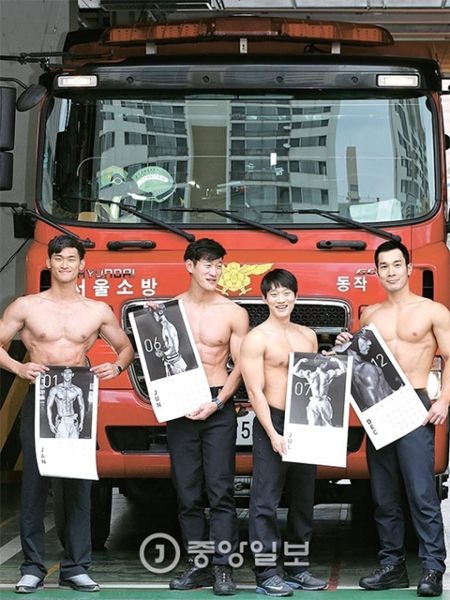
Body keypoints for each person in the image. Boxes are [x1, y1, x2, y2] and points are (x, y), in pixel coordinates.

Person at [0, 235, 134, 594]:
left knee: (77, 484)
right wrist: (18, 367)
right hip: (40, 394)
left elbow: (125, 348)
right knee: (35, 483)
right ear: (49, 262)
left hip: (79, 399)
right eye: (58, 258)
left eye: (71, 259)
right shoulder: (27, 306)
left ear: (81, 265)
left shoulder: (96, 310)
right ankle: (32, 568)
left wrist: (116, 367)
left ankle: (76, 567)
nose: (64, 265)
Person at [336, 240, 449, 597]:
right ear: (377, 272)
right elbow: (363, 362)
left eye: (397, 265)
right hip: (379, 406)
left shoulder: (433, 311)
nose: (391, 272)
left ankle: (432, 568)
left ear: (409, 268)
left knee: (421, 492)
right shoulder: (371, 315)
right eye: (384, 266)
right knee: (383, 494)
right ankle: (392, 566)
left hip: (414, 403)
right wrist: (345, 344)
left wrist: (444, 400)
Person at [157, 238, 249, 596]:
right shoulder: (168, 311)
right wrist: (149, 322)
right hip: (181, 405)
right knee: (187, 491)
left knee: (220, 490)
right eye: (208, 264)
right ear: (190, 266)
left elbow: (241, 364)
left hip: (217, 403)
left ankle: (223, 568)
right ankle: (198, 565)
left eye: (219, 265)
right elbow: (155, 356)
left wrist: (219, 401)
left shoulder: (233, 312)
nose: (215, 271)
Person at [240, 268, 327, 597]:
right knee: (265, 500)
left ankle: (297, 567)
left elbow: (317, 381)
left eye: (286, 292)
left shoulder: (308, 336)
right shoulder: (257, 338)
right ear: (265, 299)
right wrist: (272, 433)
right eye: (274, 293)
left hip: (305, 421)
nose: (281, 298)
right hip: (272, 422)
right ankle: (266, 572)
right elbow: (255, 391)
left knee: (303, 500)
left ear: (295, 296)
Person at [336, 330, 394, 411]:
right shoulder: (365, 369)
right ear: (353, 343)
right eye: (365, 339)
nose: (369, 343)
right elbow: (376, 405)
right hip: (391, 412)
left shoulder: (352, 371)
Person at [293, 355, 346, 426]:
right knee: (323, 424)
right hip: (320, 402)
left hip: (317, 402)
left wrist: (300, 361)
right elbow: (344, 369)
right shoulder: (328, 374)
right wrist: (337, 360)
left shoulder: (310, 374)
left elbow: (294, 371)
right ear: (321, 364)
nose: (326, 364)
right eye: (325, 363)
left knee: (316, 424)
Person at [47, 368, 85, 438]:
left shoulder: (77, 390)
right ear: (62, 374)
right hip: (62, 419)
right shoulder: (55, 389)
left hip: (73, 419)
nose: (67, 375)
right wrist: (50, 423)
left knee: (75, 442)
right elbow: (49, 406)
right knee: (61, 443)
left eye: (69, 373)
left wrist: (81, 422)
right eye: (65, 373)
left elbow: (82, 406)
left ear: (72, 375)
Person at [150, 306, 187, 375]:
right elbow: (170, 345)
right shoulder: (165, 327)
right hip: (172, 362)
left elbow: (174, 348)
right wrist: (162, 350)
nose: (154, 317)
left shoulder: (168, 327)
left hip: (175, 364)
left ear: (160, 312)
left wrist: (163, 353)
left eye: (155, 315)